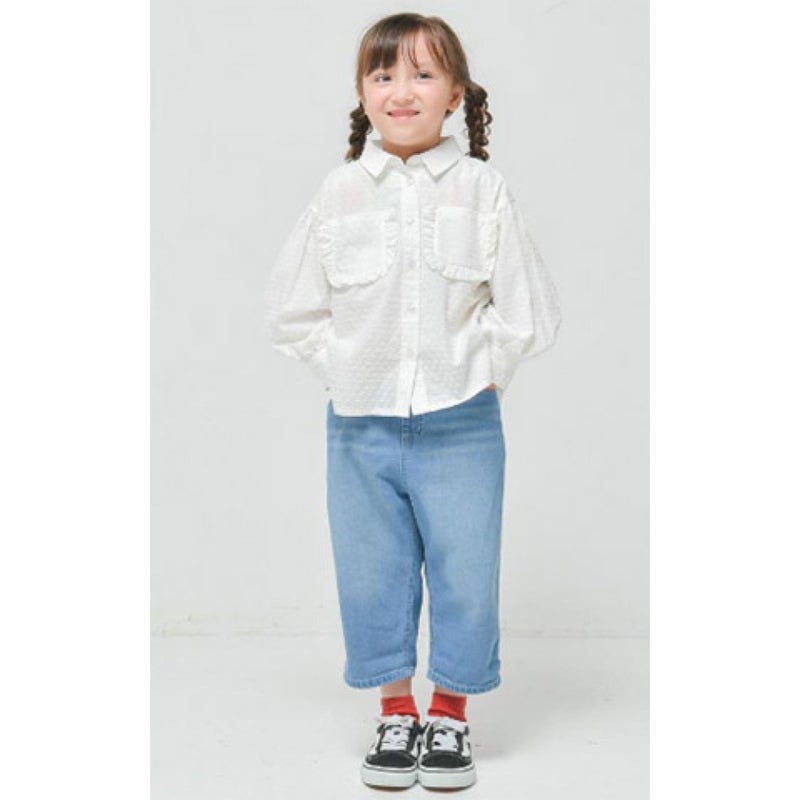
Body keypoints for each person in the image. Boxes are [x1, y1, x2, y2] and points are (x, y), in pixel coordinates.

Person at [264, 12, 562, 791]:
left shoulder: (482, 190)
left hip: (462, 423)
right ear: (363, 92)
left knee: (466, 571)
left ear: (455, 94)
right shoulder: (338, 195)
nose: (402, 90)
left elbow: (527, 308)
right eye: (384, 74)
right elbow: (293, 310)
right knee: (372, 572)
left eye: (423, 74)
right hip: (359, 429)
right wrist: (343, 368)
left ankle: (451, 715)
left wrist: (485, 371)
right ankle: (395, 711)